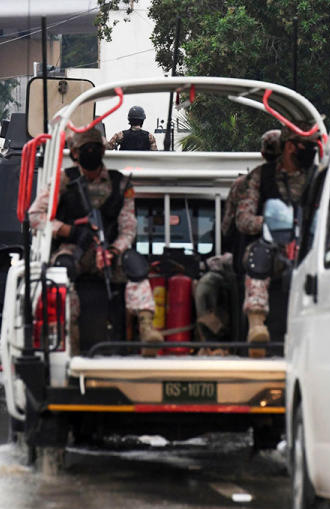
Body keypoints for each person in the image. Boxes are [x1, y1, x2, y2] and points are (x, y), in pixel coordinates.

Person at [29, 128, 162, 354]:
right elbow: (34, 216)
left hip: (107, 249)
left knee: (134, 265)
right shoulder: (62, 180)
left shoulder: (120, 183)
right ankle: (65, 335)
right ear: (75, 154)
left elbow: (128, 228)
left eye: (95, 149)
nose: (90, 153)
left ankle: (146, 328)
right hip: (72, 249)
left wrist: (113, 250)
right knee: (61, 273)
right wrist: (67, 231)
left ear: (102, 151)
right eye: (85, 149)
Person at [234, 122, 321, 354]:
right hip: (272, 246)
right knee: (258, 255)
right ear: (291, 147)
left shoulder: (317, 178)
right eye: (307, 146)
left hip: (309, 246)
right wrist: (271, 223)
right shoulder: (261, 177)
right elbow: (243, 219)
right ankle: (256, 324)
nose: (311, 152)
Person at [194, 129, 284, 344]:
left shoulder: (243, 184)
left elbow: (227, 229)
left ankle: (220, 339)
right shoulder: (298, 182)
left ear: (263, 153)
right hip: (285, 263)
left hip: (246, 261)